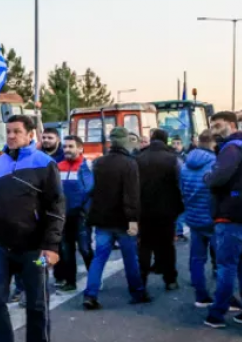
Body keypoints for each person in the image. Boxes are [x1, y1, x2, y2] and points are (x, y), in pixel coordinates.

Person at [0, 115, 65, 342]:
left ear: (30, 134)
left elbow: (56, 207)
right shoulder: (0, 163)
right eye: (8, 131)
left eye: (17, 131)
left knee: (36, 301)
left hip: (34, 249)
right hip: (2, 247)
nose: (11, 136)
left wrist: (51, 246)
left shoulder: (44, 163)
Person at [203, 111, 242, 329]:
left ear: (231, 124)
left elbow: (216, 179)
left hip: (232, 215)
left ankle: (217, 314)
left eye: (217, 125)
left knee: (226, 266)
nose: (214, 130)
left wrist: (208, 177)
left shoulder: (232, 149)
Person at [84, 127, 150, 309]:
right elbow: (131, 196)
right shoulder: (129, 163)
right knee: (130, 258)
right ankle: (137, 292)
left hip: (102, 218)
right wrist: (133, 221)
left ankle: (90, 294)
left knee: (99, 258)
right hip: (123, 220)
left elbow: (91, 190)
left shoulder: (99, 162)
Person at [135, 128, 185, 290]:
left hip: (144, 209)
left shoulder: (139, 158)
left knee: (144, 245)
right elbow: (181, 182)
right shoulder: (173, 159)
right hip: (167, 209)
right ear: (166, 140)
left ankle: (141, 281)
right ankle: (170, 279)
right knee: (167, 245)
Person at [180, 130, 217, 307]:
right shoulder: (215, 163)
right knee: (222, 260)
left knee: (197, 259)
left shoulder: (185, 165)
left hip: (194, 217)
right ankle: (224, 296)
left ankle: (200, 295)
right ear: (213, 143)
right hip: (212, 217)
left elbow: (182, 190)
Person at [56, 135, 94, 291]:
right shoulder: (58, 166)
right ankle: (70, 282)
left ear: (80, 148)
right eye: (65, 146)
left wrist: (86, 211)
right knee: (67, 250)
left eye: (70, 146)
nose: (67, 149)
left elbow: (91, 190)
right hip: (64, 216)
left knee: (85, 249)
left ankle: (94, 279)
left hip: (81, 215)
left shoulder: (87, 166)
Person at [172, 137, 188, 241]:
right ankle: (177, 232)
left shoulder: (186, 157)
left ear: (182, 145)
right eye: (174, 143)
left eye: (178, 143)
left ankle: (178, 231)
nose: (176, 145)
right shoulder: (170, 157)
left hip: (182, 186)